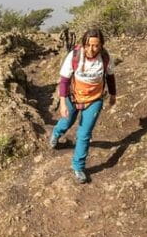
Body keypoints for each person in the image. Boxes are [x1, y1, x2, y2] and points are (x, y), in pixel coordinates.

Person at [49, 28, 116, 184]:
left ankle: (78, 167)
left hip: (94, 100)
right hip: (73, 97)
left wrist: (113, 95)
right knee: (66, 122)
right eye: (88, 45)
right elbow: (64, 80)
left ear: (101, 45)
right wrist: (63, 103)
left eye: (96, 45)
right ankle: (56, 133)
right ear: (83, 44)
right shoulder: (75, 56)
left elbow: (110, 76)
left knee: (84, 134)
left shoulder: (105, 58)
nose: (91, 49)